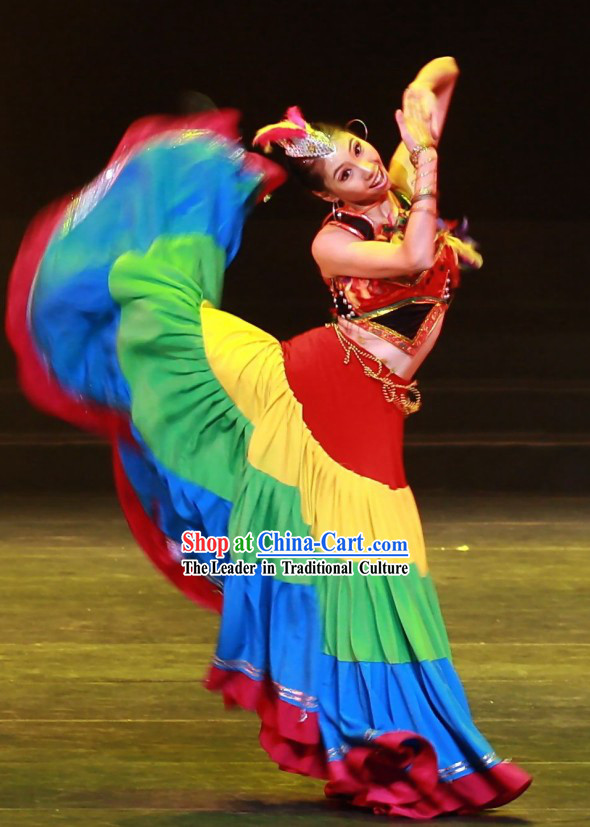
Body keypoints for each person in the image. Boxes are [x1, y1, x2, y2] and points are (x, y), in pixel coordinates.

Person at [5, 58, 532, 819]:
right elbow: (417, 257)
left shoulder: (404, 188)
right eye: (346, 176)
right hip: (321, 395)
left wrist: (419, 110)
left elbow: (444, 73)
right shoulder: (336, 242)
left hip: (371, 409)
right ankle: (392, 746)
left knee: (363, 572)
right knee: (370, 568)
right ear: (328, 199)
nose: (363, 171)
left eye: (360, 154)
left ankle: (375, 744)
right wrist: (424, 157)